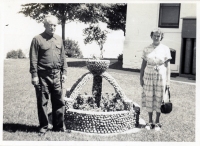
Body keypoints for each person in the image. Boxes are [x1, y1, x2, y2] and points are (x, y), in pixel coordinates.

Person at [29, 15, 68, 136]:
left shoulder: (59, 39)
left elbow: (63, 57)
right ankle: (43, 127)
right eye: (50, 24)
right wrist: (34, 75)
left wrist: (64, 72)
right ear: (45, 25)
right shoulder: (37, 39)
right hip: (42, 75)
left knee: (59, 101)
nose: (53, 27)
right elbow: (33, 59)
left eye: (55, 25)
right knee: (43, 102)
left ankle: (59, 127)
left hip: (57, 74)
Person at [140, 28, 171, 131]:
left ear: (161, 37)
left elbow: (168, 66)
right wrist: (141, 77)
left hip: (161, 74)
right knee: (149, 96)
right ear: (151, 36)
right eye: (154, 35)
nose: (156, 37)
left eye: (158, 36)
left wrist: (168, 81)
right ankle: (149, 122)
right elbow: (143, 64)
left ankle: (157, 122)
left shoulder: (165, 49)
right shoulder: (146, 49)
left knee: (159, 97)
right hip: (148, 74)